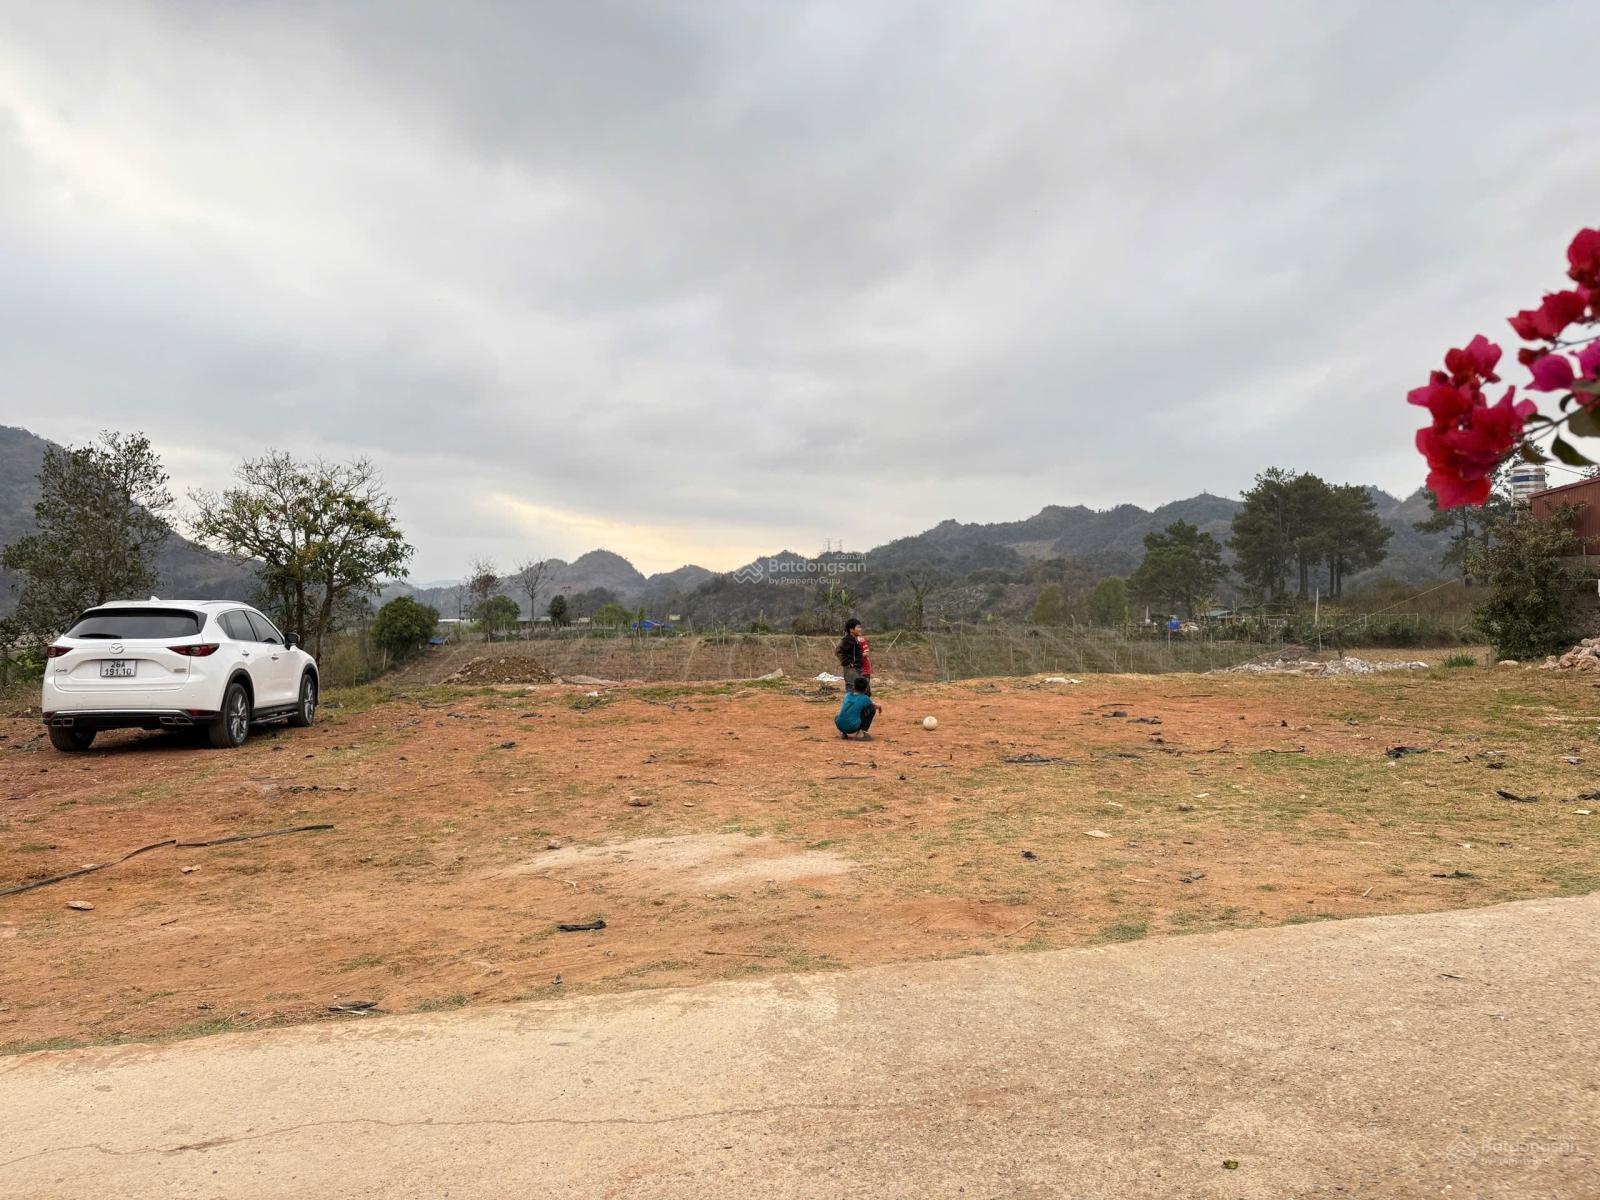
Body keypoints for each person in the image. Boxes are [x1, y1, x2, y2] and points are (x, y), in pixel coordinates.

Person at [835, 675, 880, 739]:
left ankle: (843, 733)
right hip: (852, 727)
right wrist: (879, 706)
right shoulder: (865, 698)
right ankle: (861, 732)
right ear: (866, 689)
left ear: (853, 686)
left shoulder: (847, 695)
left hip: (839, 725)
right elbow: (874, 706)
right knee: (872, 709)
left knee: (846, 712)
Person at [836, 617, 870, 694]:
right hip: (851, 670)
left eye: (860, 627)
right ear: (851, 629)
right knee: (852, 691)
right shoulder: (847, 640)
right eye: (858, 627)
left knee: (861, 691)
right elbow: (838, 651)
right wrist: (847, 663)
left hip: (857, 669)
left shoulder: (855, 640)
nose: (860, 629)